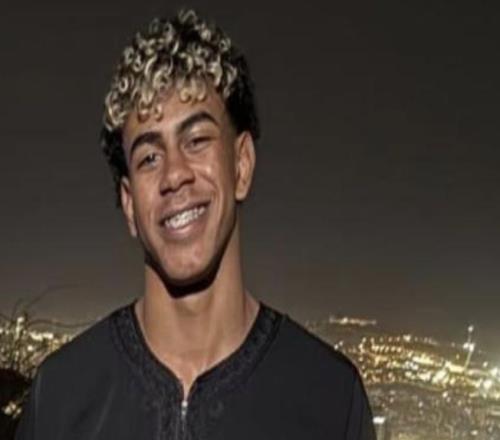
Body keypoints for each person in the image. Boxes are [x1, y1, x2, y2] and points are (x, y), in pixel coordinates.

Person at [15, 9, 376, 440]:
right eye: (149, 157)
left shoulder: (329, 399)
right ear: (129, 204)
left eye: (197, 140)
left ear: (241, 165)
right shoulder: (61, 398)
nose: (174, 174)